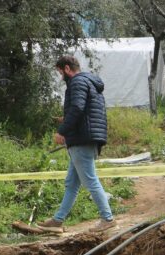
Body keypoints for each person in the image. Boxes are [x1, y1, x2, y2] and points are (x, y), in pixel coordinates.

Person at [38, 54, 115, 233]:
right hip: (85, 137)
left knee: (90, 180)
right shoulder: (88, 82)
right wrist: (67, 120)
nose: (60, 77)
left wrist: (62, 131)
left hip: (82, 139)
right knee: (72, 182)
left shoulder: (77, 83)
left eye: (60, 72)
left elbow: (77, 108)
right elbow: (84, 110)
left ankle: (108, 219)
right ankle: (58, 220)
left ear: (66, 68)